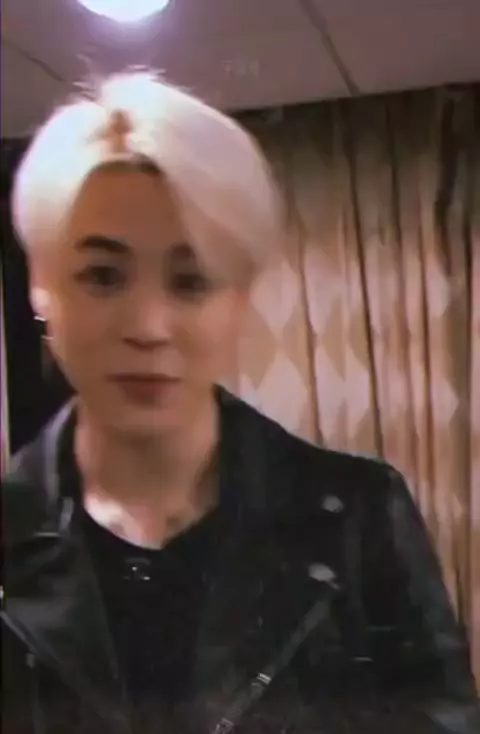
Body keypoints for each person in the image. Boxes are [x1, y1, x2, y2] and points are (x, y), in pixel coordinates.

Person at [1, 72, 479, 734]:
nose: (148, 326)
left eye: (191, 280)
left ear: (240, 298)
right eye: (102, 276)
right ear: (41, 287)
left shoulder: (356, 518)